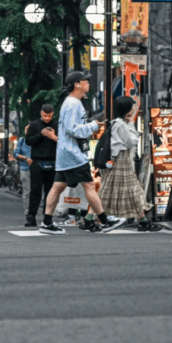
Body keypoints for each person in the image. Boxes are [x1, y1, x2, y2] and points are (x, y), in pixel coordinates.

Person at [38, 71, 126, 235]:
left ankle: (47, 223)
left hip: (65, 152)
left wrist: (90, 126)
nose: (88, 84)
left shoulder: (70, 102)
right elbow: (73, 129)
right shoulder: (73, 104)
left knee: (57, 187)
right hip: (73, 153)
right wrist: (92, 126)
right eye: (85, 81)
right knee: (89, 185)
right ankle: (105, 221)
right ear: (77, 84)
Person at [98, 96, 158, 231]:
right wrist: (131, 124)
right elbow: (132, 141)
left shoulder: (117, 123)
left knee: (110, 190)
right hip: (121, 159)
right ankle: (143, 222)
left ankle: (143, 221)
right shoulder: (121, 124)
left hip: (118, 159)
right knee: (130, 190)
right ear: (127, 109)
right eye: (132, 107)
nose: (133, 109)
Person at [24, 103, 58, 227]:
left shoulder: (57, 124)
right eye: (45, 115)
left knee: (50, 191)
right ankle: (31, 216)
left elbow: (62, 142)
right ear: (41, 113)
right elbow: (28, 141)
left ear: (53, 114)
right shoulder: (34, 125)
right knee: (35, 190)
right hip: (37, 161)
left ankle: (47, 217)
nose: (47, 118)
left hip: (53, 160)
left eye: (49, 116)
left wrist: (53, 136)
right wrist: (41, 134)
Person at [12, 126, 33, 221]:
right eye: (25, 129)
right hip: (24, 168)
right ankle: (27, 211)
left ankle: (34, 210)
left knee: (36, 191)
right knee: (27, 191)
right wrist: (25, 158)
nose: (27, 131)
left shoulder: (37, 140)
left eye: (29, 129)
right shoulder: (22, 140)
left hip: (36, 168)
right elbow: (15, 153)